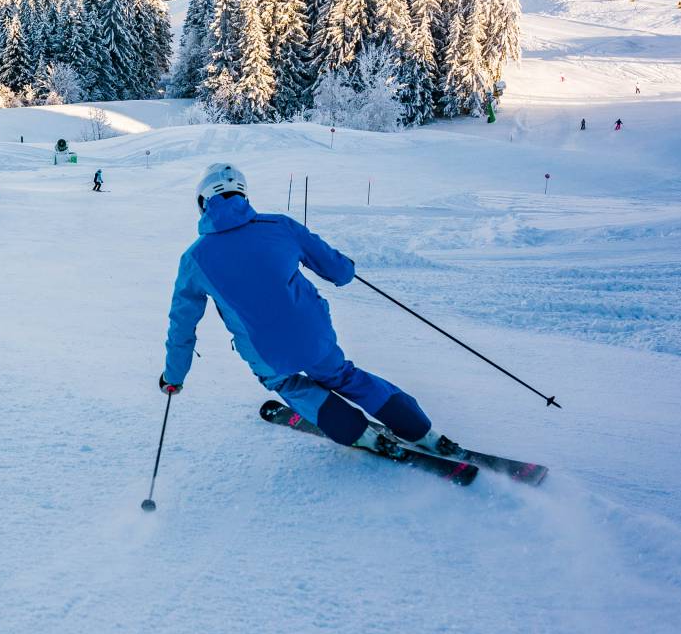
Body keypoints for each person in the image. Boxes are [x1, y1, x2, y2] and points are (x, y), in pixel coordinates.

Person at [160, 163, 458, 458]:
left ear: (203, 203)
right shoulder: (279, 226)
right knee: (341, 375)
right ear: (243, 195)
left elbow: (182, 326)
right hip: (314, 335)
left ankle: (359, 434)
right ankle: (421, 431)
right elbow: (340, 272)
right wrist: (346, 267)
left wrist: (174, 376)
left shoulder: (194, 259)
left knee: (287, 382)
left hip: (266, 354)